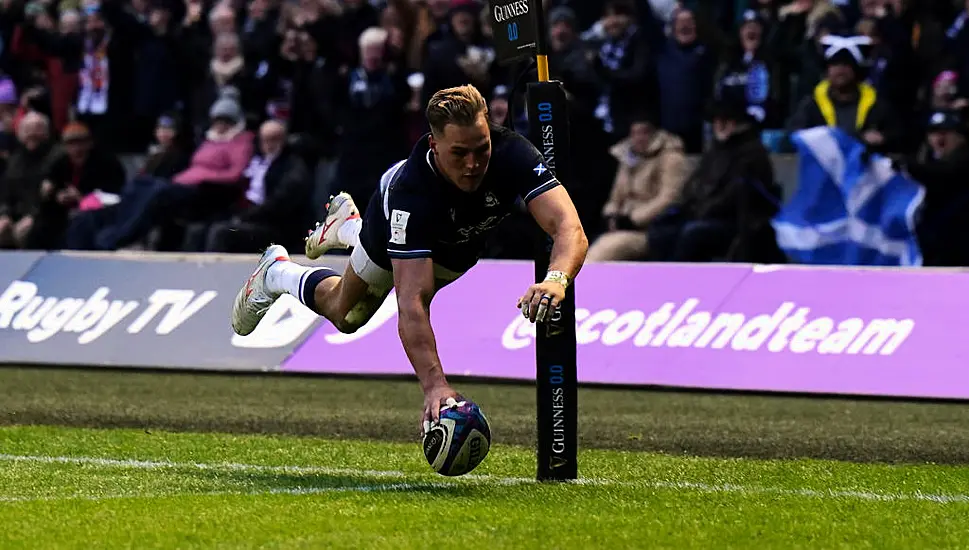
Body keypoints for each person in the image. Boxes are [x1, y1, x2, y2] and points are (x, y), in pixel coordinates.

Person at [230, 84, 588, 431]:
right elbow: (412, 300)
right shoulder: (411, 194)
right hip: (394, 223)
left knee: (402, 276)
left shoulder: (513, 153)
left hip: (457, 244)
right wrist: (435, 385)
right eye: (459, 153)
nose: (473, 163)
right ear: (434, 144)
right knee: (346, 313)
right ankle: (277, 271)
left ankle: (347, 227)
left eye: (481, 148)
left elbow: (568, 227)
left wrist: (556, 279)